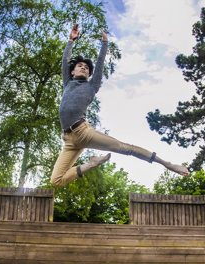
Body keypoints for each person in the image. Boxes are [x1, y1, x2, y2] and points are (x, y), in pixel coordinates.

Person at [51, 24, 189, 187]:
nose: (83, 68)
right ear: (72, 72)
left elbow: (100, 63)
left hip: (83, 132)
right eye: (80, 66)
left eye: (87, 68)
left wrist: (105, 43)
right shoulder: (67, 82)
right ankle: (92, 163)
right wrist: (71, 41)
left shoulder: (91, 86)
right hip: (68, 140)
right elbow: (65, 60)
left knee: (125, 148)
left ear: (89, 75)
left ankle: (167, 164)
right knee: (56, 181)